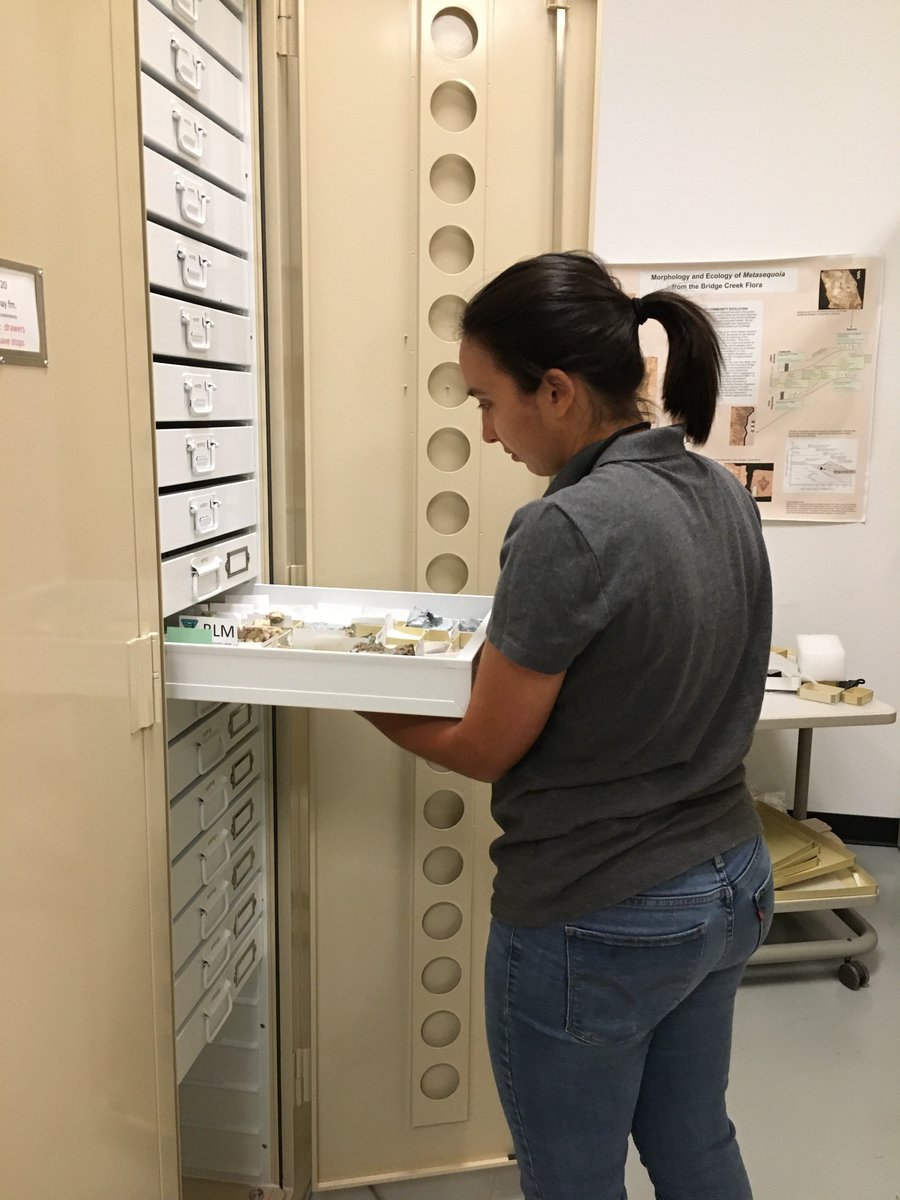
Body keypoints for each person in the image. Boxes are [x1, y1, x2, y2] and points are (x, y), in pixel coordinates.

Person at [362, 251, 774, 1200]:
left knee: (571, 1174)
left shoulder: (570, 526)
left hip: (602, 910)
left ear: (553, 390)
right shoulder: (718, 492)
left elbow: (482, 747)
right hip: (729, 885)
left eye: (487, 399)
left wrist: (351, 686)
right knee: (695, 1141)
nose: (486, 429)